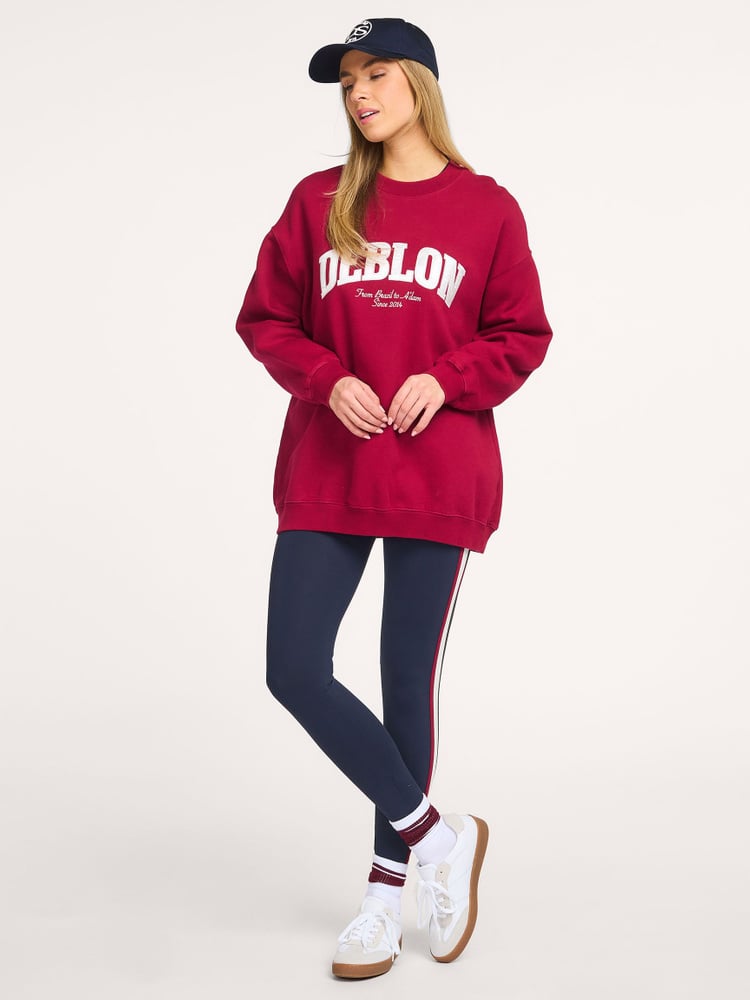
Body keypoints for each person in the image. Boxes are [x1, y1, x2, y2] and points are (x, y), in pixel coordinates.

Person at [235, 17, 552, 980]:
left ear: (420, 82)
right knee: (294, 667)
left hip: (437, 475)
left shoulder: (487, 209)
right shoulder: (317, 199)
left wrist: (447, 379)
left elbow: (523, 334)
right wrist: (326, 377)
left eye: (375, 74)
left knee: (403, 681)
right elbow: (265, 319)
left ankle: (383, 896)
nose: (360, 94)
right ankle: (439, 837)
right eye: (347, 83)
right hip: (329, 468)